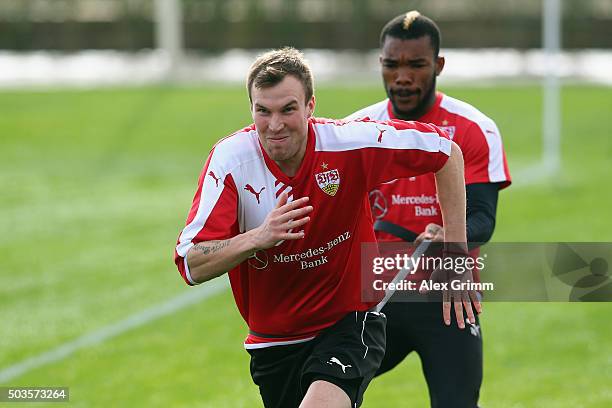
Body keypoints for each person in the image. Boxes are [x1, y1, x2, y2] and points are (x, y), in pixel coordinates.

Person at [174, 47, 472, 408]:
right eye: (262, 111)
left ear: (311, 106)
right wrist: (258, 237)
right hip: (274, 341)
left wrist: (456, 255)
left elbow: (447, 152)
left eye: (288, 109)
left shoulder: (349, 143)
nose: (275, 125)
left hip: (349, 321)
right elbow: (190, 262)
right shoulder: (231, 161)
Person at [345, 11, 512, 408]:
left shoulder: (473, 128)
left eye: (416, 65)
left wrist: (451, 235)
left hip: (447, 299)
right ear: (380, 65)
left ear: (438, 65)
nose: (402, 77)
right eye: (391, 65)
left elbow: (483, 218)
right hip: (374, 294)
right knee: (316, 392)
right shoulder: (354, 130)